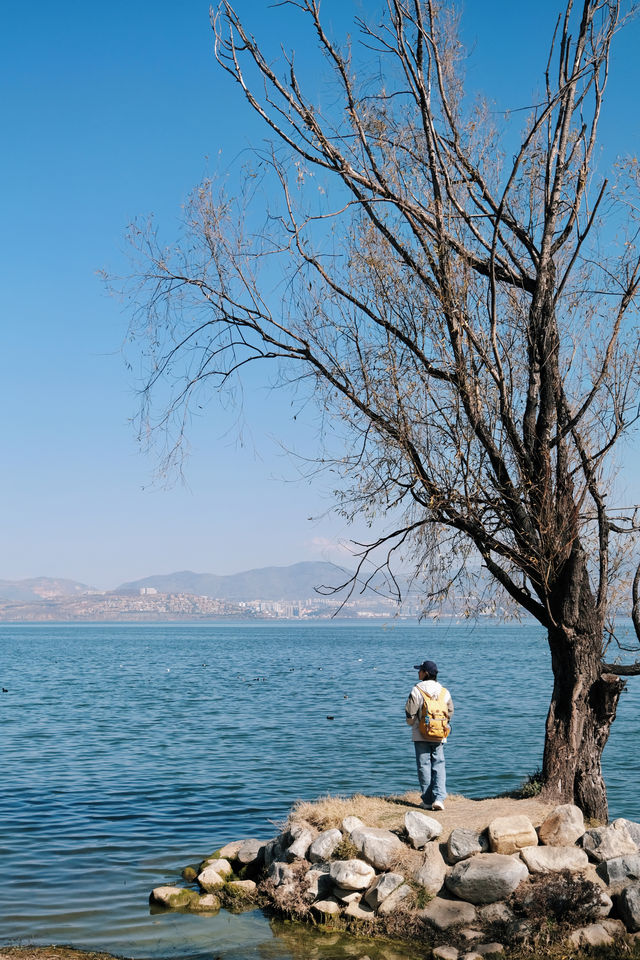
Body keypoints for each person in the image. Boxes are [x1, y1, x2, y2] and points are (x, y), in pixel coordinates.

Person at [405, 659, 454, 811]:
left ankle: (427, 800)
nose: (418, 672)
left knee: (424, 765)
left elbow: (410, 714)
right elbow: (450, 712)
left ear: (425, 673)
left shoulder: (417, 690)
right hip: (440, 733)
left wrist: (414, 723)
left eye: (420, 670)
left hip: (421, 734)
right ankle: (439, 798)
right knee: (439, 764)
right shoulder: (444, 691)